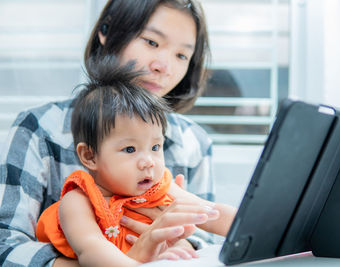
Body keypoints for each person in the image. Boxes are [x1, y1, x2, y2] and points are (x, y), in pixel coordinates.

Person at [0, 0, 220, 266]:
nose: (165, 66)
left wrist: (178, 241)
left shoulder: (194, 142)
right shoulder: (39, 128)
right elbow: (6, 246)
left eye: (182, 55)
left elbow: (208, 239)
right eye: (151, 42)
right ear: (106, 31)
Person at [36, 56, 223, 265]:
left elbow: (210, 212)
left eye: (155, 147)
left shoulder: (160, 188)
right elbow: (91, 249)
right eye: (130, 149)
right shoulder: (78, 201)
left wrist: (178, 247)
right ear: (89, 156)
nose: (148, 162)